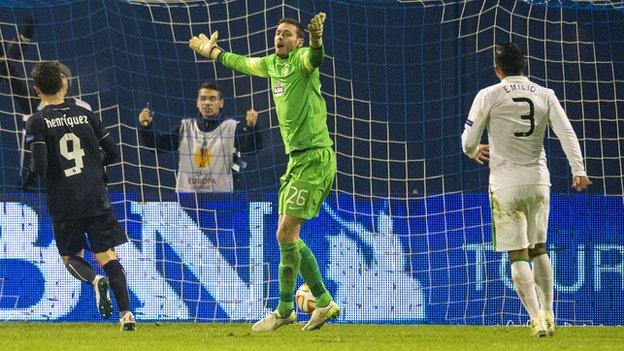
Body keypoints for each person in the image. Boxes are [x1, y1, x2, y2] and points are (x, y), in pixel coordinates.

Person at [189, 13, 339, 331]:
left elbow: (316, 57)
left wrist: (316, 39)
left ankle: (310, 304)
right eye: (277, 33)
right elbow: (242, 63)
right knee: (287, 236)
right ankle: (299, 307)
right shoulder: (273, 64)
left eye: (287, 34)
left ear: (297, 41)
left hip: (315, 158)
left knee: (285, 234)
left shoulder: (302, 59)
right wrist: (213, 53)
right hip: (296, 160)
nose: (279, 37)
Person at [461, 42, 591, 337]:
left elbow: (470, 140)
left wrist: (473, 151)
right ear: (525, 64)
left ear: (498, 69)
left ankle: (536, 320)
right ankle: (550, 313)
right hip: (538, 181)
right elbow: (566, 131)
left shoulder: (489, 95)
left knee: (517, 254)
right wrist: (578, 170)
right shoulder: (546, 94)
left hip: (506, 184)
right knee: (539, 249)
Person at [22, 62, 136, 331]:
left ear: (37, 89)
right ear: (63, 83)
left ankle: (96, 282)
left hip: (65, 198)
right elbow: (112, 152)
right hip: (96, 194)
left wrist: (26, 180)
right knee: (108, 254)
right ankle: (127, 315)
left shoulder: (37, 121)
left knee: (70, 256)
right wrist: (96, 171)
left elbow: (38, 167)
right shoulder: (84, 114)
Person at [138, 82, 262, 192]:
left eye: (212, 99)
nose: (207, 103)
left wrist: (252, 127)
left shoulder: (232, 128)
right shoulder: (185, 128)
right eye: (203, 99)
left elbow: (252, 149)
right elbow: (158, 145)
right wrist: (146, 127)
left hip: (223, 200)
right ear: (197, 103)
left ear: (221, 103)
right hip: (190, 200)